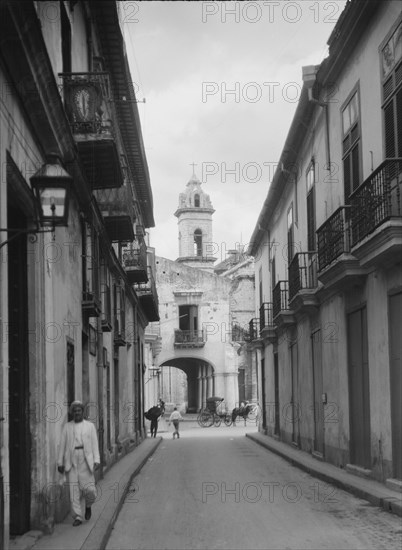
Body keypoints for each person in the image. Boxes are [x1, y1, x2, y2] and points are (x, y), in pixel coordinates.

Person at [57, 400, 100, 526]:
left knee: (90, 490)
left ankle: (88, 505)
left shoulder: (89, 426)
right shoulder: (67, 427)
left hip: (86, 460)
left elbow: (94, 444)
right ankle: (78, 516)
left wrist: (97, 460)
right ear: (72, 413)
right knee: (74, 491)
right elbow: (62, 446)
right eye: (75, 411)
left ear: (82, 412)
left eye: (79, 410)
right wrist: (60, 462)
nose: (77, 413)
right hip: (71, 460)